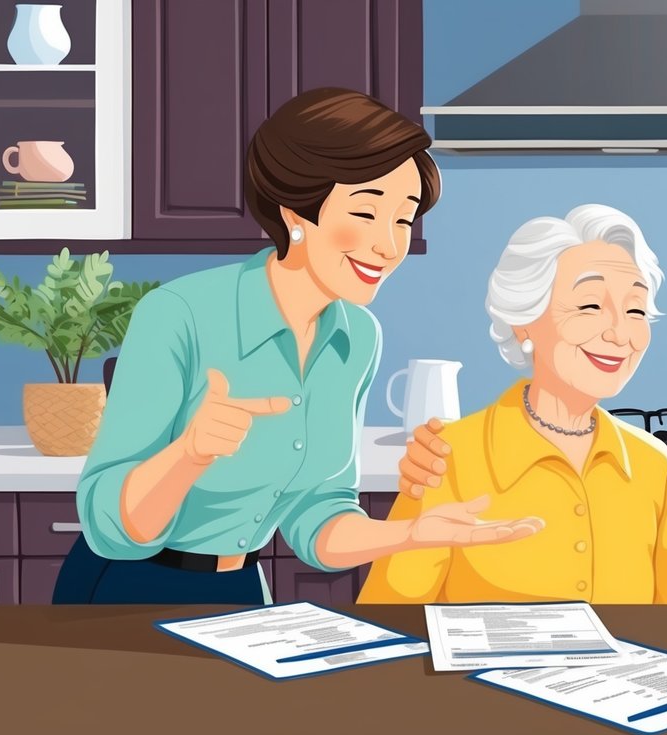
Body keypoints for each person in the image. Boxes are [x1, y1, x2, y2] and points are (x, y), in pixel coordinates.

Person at [53, 88, 542, 605]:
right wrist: (191, 454)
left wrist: (413, 534)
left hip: (241, 589)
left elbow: (318, 515)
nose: (390, 244)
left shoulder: (357, 338)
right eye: (367, 213)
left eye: (404, 218)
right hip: (125, 592)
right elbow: (109, 522)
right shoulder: (180, 314)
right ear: (295, 212)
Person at [357, 205, 667, 605]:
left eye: (635, 310)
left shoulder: (652, 466)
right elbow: (388, 623)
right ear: (523, 321)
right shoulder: (448, 457)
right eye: (590, 306)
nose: (620, 333)